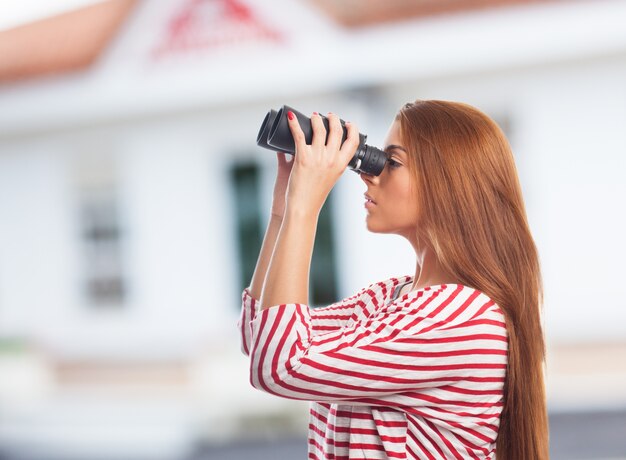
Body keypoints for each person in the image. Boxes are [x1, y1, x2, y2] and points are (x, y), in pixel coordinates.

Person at [237, 100, 549, 459]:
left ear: (449, 184)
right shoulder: (388, 299)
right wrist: (282, 213)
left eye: (393, 162)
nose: (368, 173)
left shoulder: (463, 319)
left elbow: (280, 367)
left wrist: (304, 210)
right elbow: (260, 337)